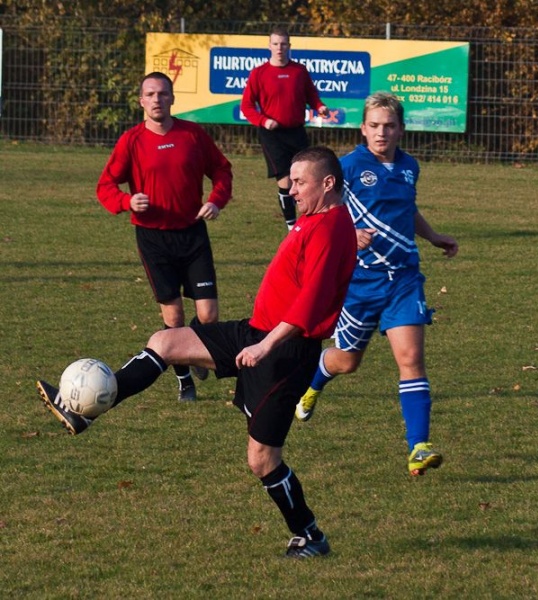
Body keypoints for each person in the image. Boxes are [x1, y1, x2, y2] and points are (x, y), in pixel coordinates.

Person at [38, 147, 358, 559]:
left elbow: (309, 307)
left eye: (300, 182)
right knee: (167, 342)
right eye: (292, 181)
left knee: (262, 460)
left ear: (328, 183)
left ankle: (311, 535)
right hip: (255, 333)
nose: (292, 190)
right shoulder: (315, 219)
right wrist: (257, 339)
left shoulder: (330, 229)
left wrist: (264, 346)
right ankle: (83, 411)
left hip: (283, 353)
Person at [295, 92, 459, 477]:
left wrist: (433, 236)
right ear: (363, 129)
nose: (381, 132)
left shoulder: (409, 167)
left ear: (401, 129)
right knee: (347, 362)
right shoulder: (348, 167)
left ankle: (419, 447)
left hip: (403, 279)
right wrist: (351, 233)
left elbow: (407, 210)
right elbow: (322, 215)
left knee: (411, 359)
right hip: (359, 282)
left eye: (389, 126)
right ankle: (318, 376)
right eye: (374, 126)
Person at [97, 71, 233, 402]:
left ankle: (194, 348)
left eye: (163, 93)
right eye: (150, 94)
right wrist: (126, 201)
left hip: (193, 233)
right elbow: (105, 186)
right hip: (154, 238)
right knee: (172, 317)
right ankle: (185, 379)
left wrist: (216, 201)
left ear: (172, 98)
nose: (157, 99)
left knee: (208, 316)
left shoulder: (192, 135)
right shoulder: (131, 141)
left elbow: (222, 170)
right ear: (141, 101)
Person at [241, 26, 329, 230]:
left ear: (289, 46)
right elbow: (247, 106)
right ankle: (291, 225)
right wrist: (264, 121)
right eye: (275, 44)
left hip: (297, 132)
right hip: (272, 135)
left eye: (283, 44)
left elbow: (312, 96)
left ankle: (309, 216)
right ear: (269, 46)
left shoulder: (299, 71)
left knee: (306, 176)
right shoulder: (259, 73)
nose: (279, 48)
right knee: (286, 181)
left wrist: (320, 107)